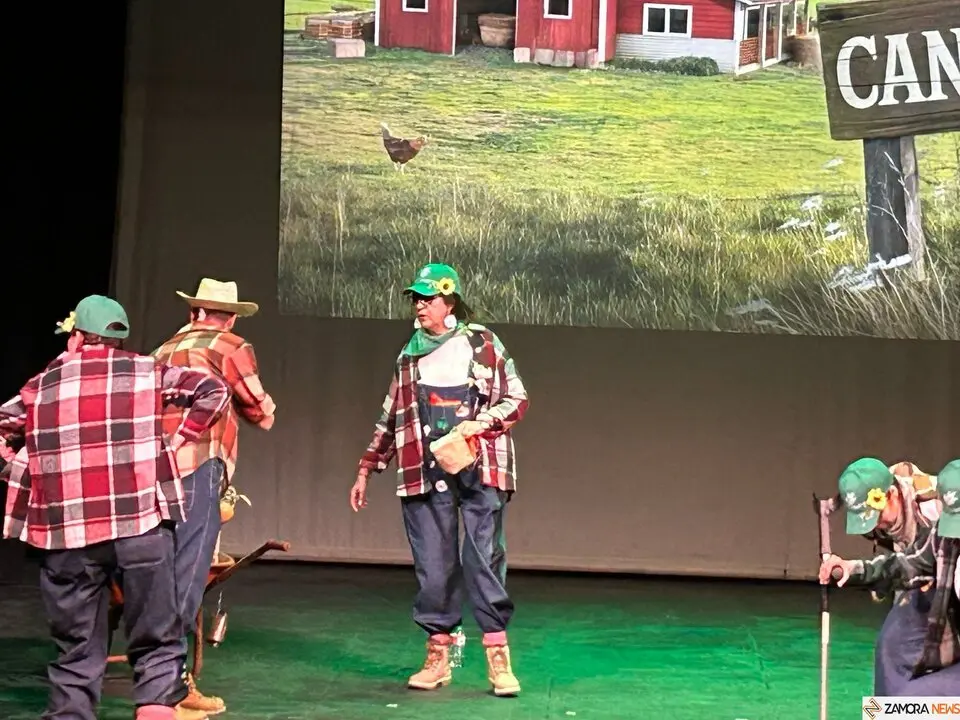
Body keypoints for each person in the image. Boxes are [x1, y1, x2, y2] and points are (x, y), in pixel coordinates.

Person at [0, 295, 231, 720]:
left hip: (67, 534)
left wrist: (20, 465)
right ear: (118, 340)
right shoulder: (147, 372)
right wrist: (179, 439)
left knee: (76, 648)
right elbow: (214, 391)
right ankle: (155, 708)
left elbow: (3, 426)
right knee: (157, 639)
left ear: (76, 337)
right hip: (140, 528)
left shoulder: (40, 386)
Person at [350, 263, 529, 697]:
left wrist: (481, 424)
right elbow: (391, 416)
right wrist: (367, 467)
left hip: (481, 466)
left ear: (450, 301)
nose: (419, 306)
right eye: (416, 299)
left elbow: (517, 398)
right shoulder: (409, 356)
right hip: (425, 469)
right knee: (434, 565)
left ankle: (497, 656)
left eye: (428, 298)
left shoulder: (482, 343)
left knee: (483, 558)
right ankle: (437, 655)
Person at [152, 278, 276, 716]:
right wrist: (262, 410)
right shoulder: (230, 346)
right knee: (188, 573)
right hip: (198, 464)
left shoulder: (162, 350)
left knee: (160, 572)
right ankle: (169, 686)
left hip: (154, 471)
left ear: (194, 312)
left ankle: (157, 677)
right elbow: (259, 408)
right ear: (232, 318)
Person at [821, 458, 960, 695]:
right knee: (891, 646)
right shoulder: (945, 535)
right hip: (937, 593)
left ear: (892, 495)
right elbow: (909, 562)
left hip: (940, 597)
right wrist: (853, 570)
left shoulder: (930, 505)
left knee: (912, 702)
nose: (875, 525)